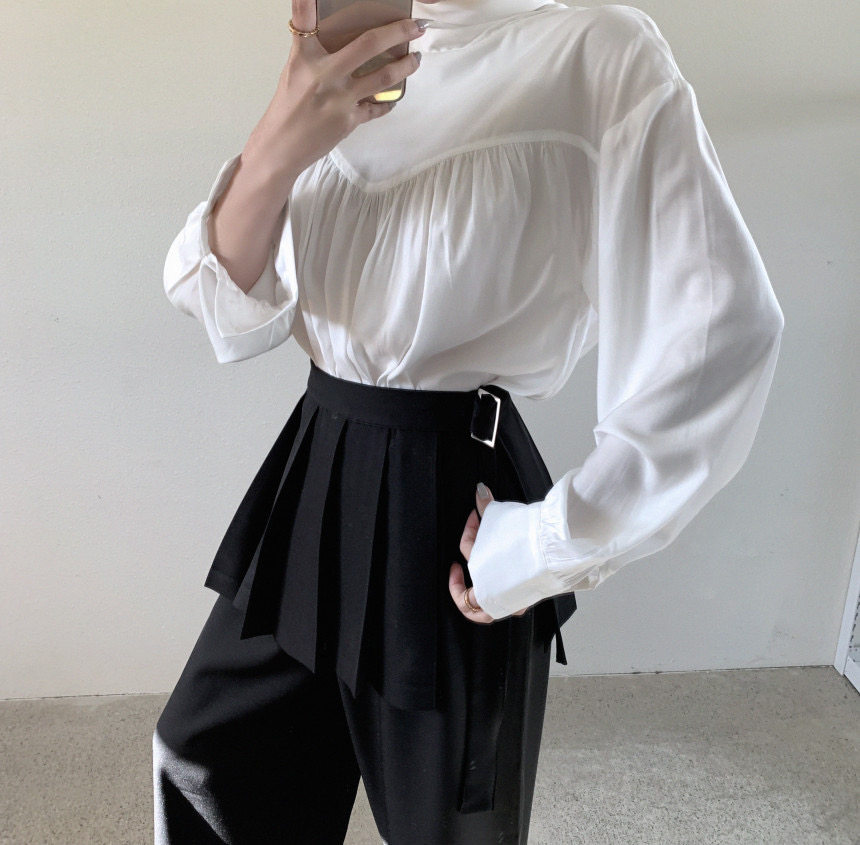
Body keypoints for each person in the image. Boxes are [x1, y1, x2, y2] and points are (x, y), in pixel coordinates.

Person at [152, 0, 785, 842]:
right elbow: (222, 306)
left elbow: (719, 331)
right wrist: (279, 138)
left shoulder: (597, 50)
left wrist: (547, 542)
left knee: (449, 827)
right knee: (207, 766)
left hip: (453, 500)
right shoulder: (352, 56)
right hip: (314, 468)